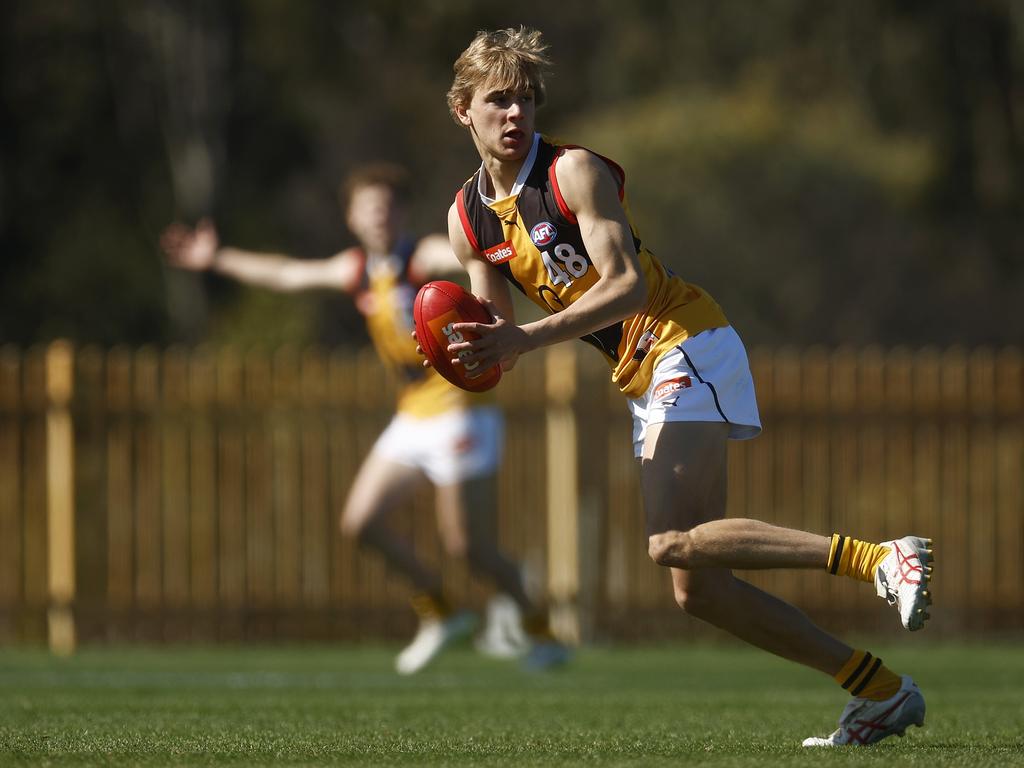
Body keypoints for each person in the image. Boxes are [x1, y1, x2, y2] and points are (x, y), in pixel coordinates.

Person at [434, 27, 935, 746]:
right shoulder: (466, 219)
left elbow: (627, 285)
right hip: (643, 373)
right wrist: (463, 349)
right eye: (498, 101)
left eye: (526, 100)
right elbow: (499, 337)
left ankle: (883, 559)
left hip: (682, 337)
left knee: (668, 541)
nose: (515, 114)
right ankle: (879, 691)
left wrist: (522, 341)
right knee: (696, 584)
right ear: (463, 109)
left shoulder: (571, 173)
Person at [161, 162, 567, 673]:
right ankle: (441, 612)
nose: (379, 215)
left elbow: (468, 255)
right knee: (361, 523)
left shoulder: (421, 257)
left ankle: (540, 629)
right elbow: (287, 274)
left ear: (401, 213)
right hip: (413, 416)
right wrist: (216, 257)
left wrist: (503, 252)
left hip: (464, 413)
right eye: (368, 207)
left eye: (388, 205)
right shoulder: (357, 269)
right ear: (351, 218)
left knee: (470, 547)